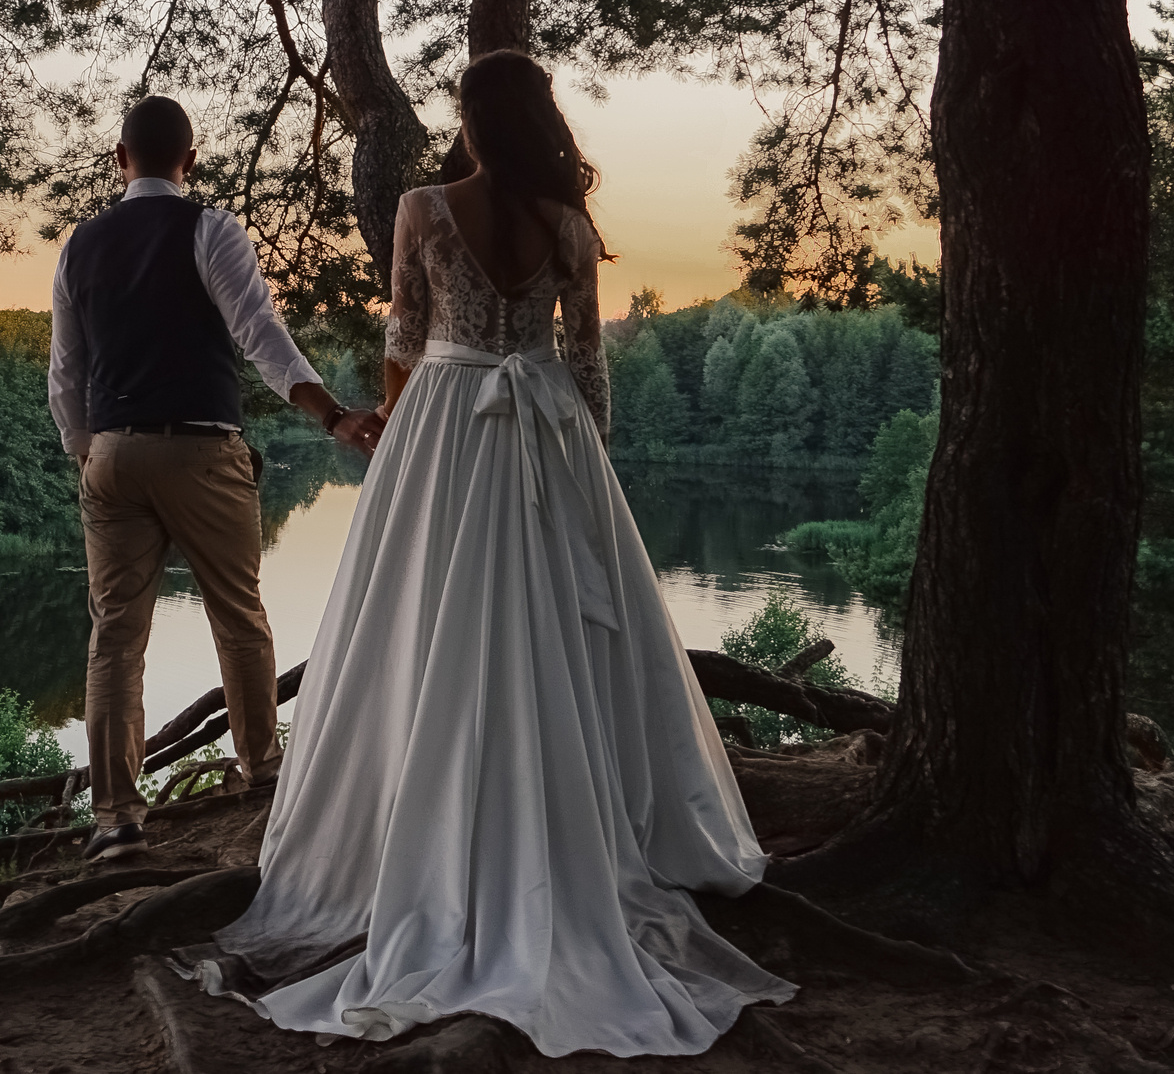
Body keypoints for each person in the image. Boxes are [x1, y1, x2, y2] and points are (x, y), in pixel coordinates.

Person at [198, 51, 794, 1057]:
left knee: (428, 617)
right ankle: (572, 822)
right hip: (545, 424)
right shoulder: (568, 223)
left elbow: (404, 331)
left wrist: (389, 425)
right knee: (562, 620)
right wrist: (584, 468)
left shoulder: (424, 209)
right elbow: (588, 360)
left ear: (475, 120)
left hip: (444, 422)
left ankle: (428, 822)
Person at [49, 94, 368, 864]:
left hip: (113, 454)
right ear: (188, 161)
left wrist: (88, 451)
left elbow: (67, 372)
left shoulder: (79, 246)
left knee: (115, 639)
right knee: (239, 616)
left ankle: (116, 817)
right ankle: (262, 774)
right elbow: (260, 333)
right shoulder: (209, 228)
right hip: (200, 448)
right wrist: (331, 416)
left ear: (120, 159)